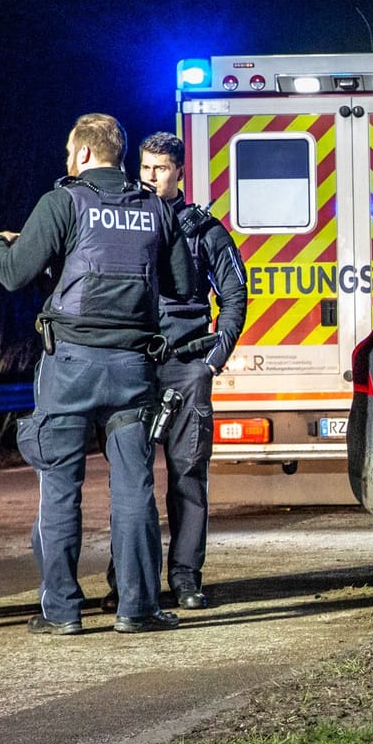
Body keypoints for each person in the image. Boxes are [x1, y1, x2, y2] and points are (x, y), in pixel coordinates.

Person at [0, 113, 196, 636]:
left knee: (59, 486)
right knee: (134, 489)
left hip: (71, 367)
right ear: (120, 155)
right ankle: (137, 607)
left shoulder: (63, 201)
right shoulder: (153, 207)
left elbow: (14, 273)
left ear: (80, 155)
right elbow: (183, 283)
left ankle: (61, 612)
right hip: (132, 370)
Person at [130, 132, 247, 610]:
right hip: (135, 365)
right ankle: (130, 580)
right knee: (131, 480)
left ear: (180, 171)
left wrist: (214, 358)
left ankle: (184, 578)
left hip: (187, 365)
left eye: (159, 169)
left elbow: (235, 295)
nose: (150, 177)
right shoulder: (126, 221)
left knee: (187, 476)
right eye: (145, 168)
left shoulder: (205, 230)